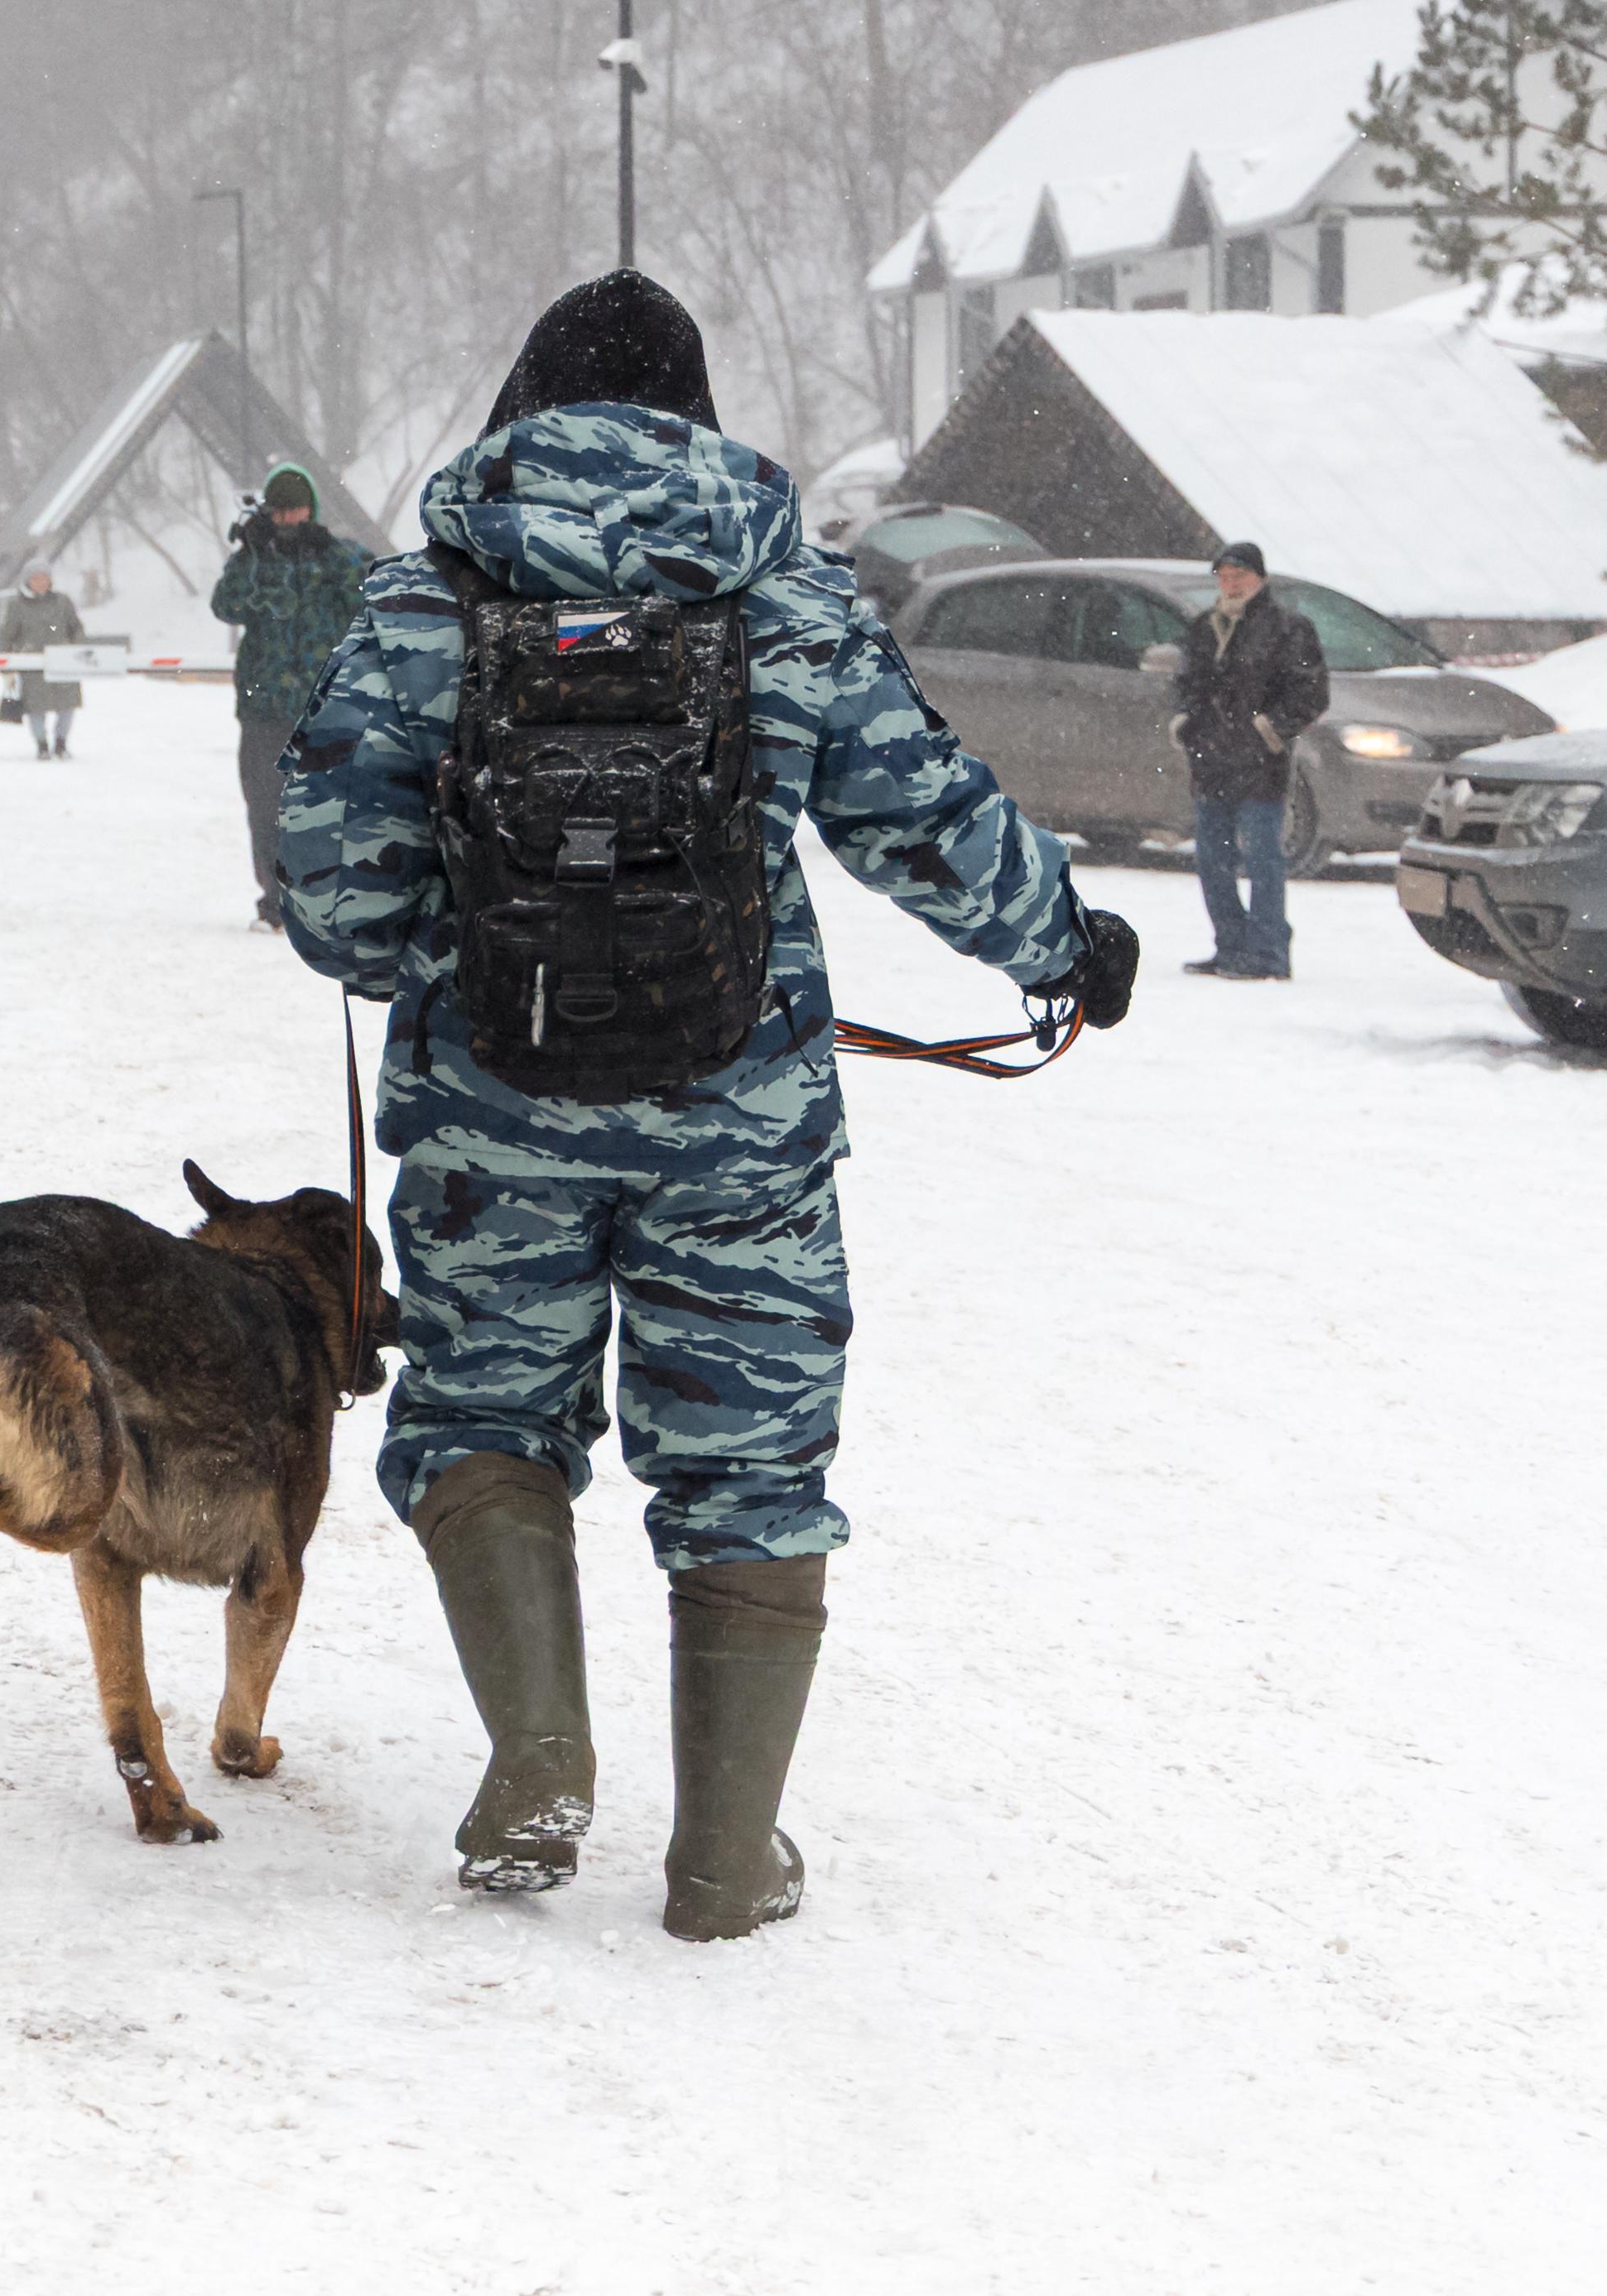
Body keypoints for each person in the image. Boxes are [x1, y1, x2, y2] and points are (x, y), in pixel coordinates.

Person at [281, 269, 1135, 1943]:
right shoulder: (786, 596)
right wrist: (1064, 946)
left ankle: (540, 1749)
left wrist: (449, 946)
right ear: (696, 412)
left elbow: (330, 891)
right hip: (738, 1113)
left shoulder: (424, 598)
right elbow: (927, 816)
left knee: (484, 1414)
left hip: (491, 1105)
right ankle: (726, 1857)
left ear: (525, 400)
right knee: (749, 1457)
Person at [210, 463, 369, 929]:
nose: (288, 521)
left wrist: (329, 551)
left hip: (327, 707)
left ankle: (327, 903)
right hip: (265, 709)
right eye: (280, 512)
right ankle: (276, 901)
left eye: (297, 511)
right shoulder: (256, 559)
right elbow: (226, 605)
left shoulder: (338, 556)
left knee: (330, 809)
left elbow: (372, 595)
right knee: (266, 808)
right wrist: (253, 553)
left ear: (312, 511)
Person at [1171, 540, 1326, 982]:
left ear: (1261, 578)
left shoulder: (1287, 628)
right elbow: (1186, 682)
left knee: (1262, 859)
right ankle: (1231, 946)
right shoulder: (1205, 627)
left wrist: (1270, 730)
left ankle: (1268, 952)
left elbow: (1311, 692)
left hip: (1260, 765)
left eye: (1240, 575)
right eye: (1224, 576)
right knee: (1212, 861)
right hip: (1210, 761)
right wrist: (1185, 721)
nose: (1231, 583)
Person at [0, 564, 85, 759]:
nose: (41, 582)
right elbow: (7, 635)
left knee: (67, 704)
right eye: (36, 578)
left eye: (44, 577)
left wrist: (75, 649)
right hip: (31, 664)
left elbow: (76, 628)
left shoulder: (62, 602)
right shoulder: (17, 605)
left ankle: (61, 744)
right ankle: (42, 745)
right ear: (28, 581)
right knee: (35, 707)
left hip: (63, 662)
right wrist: (4, 664)